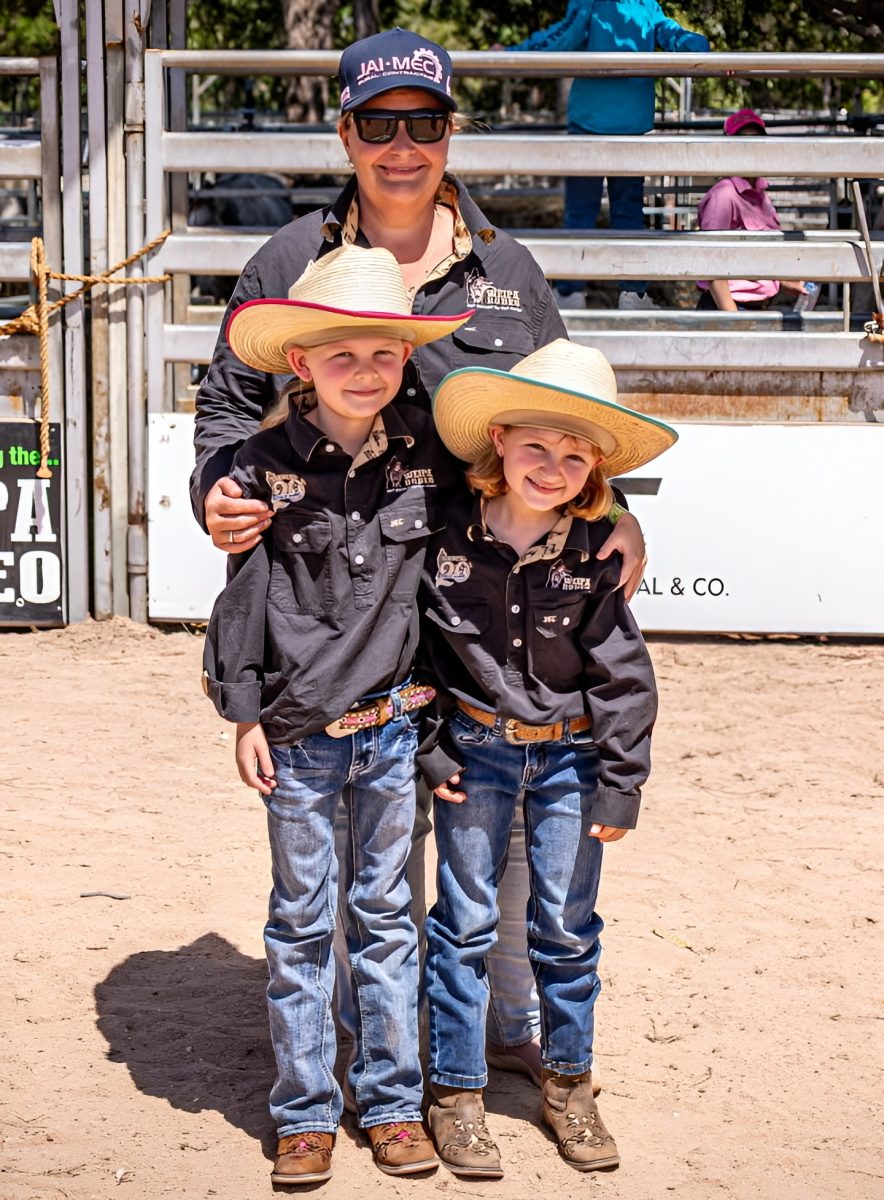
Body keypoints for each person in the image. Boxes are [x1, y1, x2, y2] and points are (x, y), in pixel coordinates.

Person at [192, 25, 648, 1097]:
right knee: (375, 825)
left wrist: (613, 505)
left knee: (505, 832)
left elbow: (560, 407)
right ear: (345, 131)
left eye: (425, 123)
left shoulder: (506, 268)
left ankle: (500, 1025)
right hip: (353, 602)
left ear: (452, 132)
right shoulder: (285, 259)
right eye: (379, 124)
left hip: (494, 603)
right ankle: (368, 1043)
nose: (403, 146)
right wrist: (218, 487)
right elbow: (223, 404)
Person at [202, 244, 474, 1184]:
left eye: (386, 354)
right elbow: (242, 598)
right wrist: (244, 713)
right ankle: (305, 1110)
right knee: (302, 922)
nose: (367, 371)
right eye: (343, 354)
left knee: (390, 916)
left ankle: (394, 1103)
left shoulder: (428, 459)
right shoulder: (259, 470)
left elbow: (452, 591)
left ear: (408, 360)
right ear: (300, 362)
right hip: (299, 736)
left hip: (396, 727)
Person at [416, 339, 677, 1176]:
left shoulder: (594, 555)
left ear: (597, 468)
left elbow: (624, 676)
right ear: (498, 440)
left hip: (569, 761)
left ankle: (569, 1084)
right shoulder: (443, 539)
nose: (552, 465)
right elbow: (413, 654)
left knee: (565, 929)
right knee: (462, 925)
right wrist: (428, 750)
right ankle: (456, 1093)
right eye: (536, 445)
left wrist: (620, 785)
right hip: (474, 752)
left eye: (574, 454)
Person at [505, 0, 709, 309]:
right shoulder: (645, 5)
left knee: (580, 213)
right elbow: (672, 35)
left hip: (592, 124)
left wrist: (512, 53)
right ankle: (631, 294)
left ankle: (572, 292)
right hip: (629, 126)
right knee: (628, 215)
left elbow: (564, 37)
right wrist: (703, 48)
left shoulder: (600, 3)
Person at [696, 108, 809, 311]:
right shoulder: (724, 195)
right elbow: (711, 264)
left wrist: (782, 281)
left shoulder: (761, 194)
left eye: (757, 141)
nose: (750, 148)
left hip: (753, 307)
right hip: (731, 308)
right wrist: (733, 321)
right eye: (742, 142)